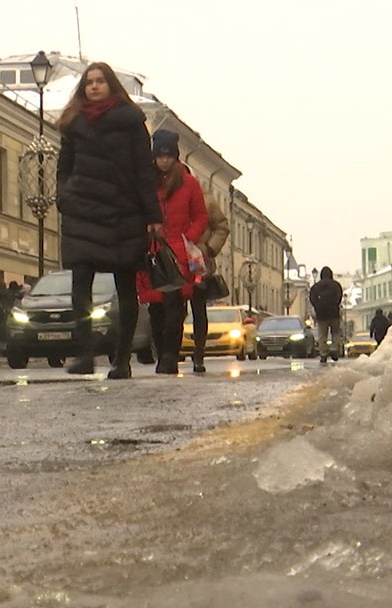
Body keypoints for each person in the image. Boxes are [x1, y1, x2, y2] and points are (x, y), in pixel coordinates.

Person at [55, 61, 163, 379]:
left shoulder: (131, 122)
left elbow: (144, 170)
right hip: (83, 212)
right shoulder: (73, 123)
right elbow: (64, 166)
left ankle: (121, 360)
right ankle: (85, 354)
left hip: (123, 213)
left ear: (111, 85)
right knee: (80, 284)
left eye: (100, 81)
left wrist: (152, 216)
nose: (94, 86)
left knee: (125, 288)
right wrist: (65, 196)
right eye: (89, 82)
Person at [138, 129, 208, 375]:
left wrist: (189, 238)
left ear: (175, 157)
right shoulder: (146, 182)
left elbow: (201, 216)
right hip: (153, 251)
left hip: (179, 253)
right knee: (156, 308)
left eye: (168, 156)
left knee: (175, 307)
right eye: (160, 156)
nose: (164, 160)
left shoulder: (189, 183)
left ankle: (170, 354)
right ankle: (161, 352)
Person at [187, 195, 230, 373]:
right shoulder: (165, 196)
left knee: (198, 308)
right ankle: (169, 353)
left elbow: (222, 227)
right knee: (174, 307)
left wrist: (209, 248)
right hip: (175, 256)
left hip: (199, 260)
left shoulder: (206, 201)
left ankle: (199, 353)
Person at [308, 266, 344, 364]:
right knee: (335, 333)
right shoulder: (336, 285)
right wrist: (334, 304)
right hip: (334, 313)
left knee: (322, 335)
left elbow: (312, 298)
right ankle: (334, 349)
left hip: (321, 314)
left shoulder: (316, 287)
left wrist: (317, 306)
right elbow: (339, 297)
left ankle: (323, 354)